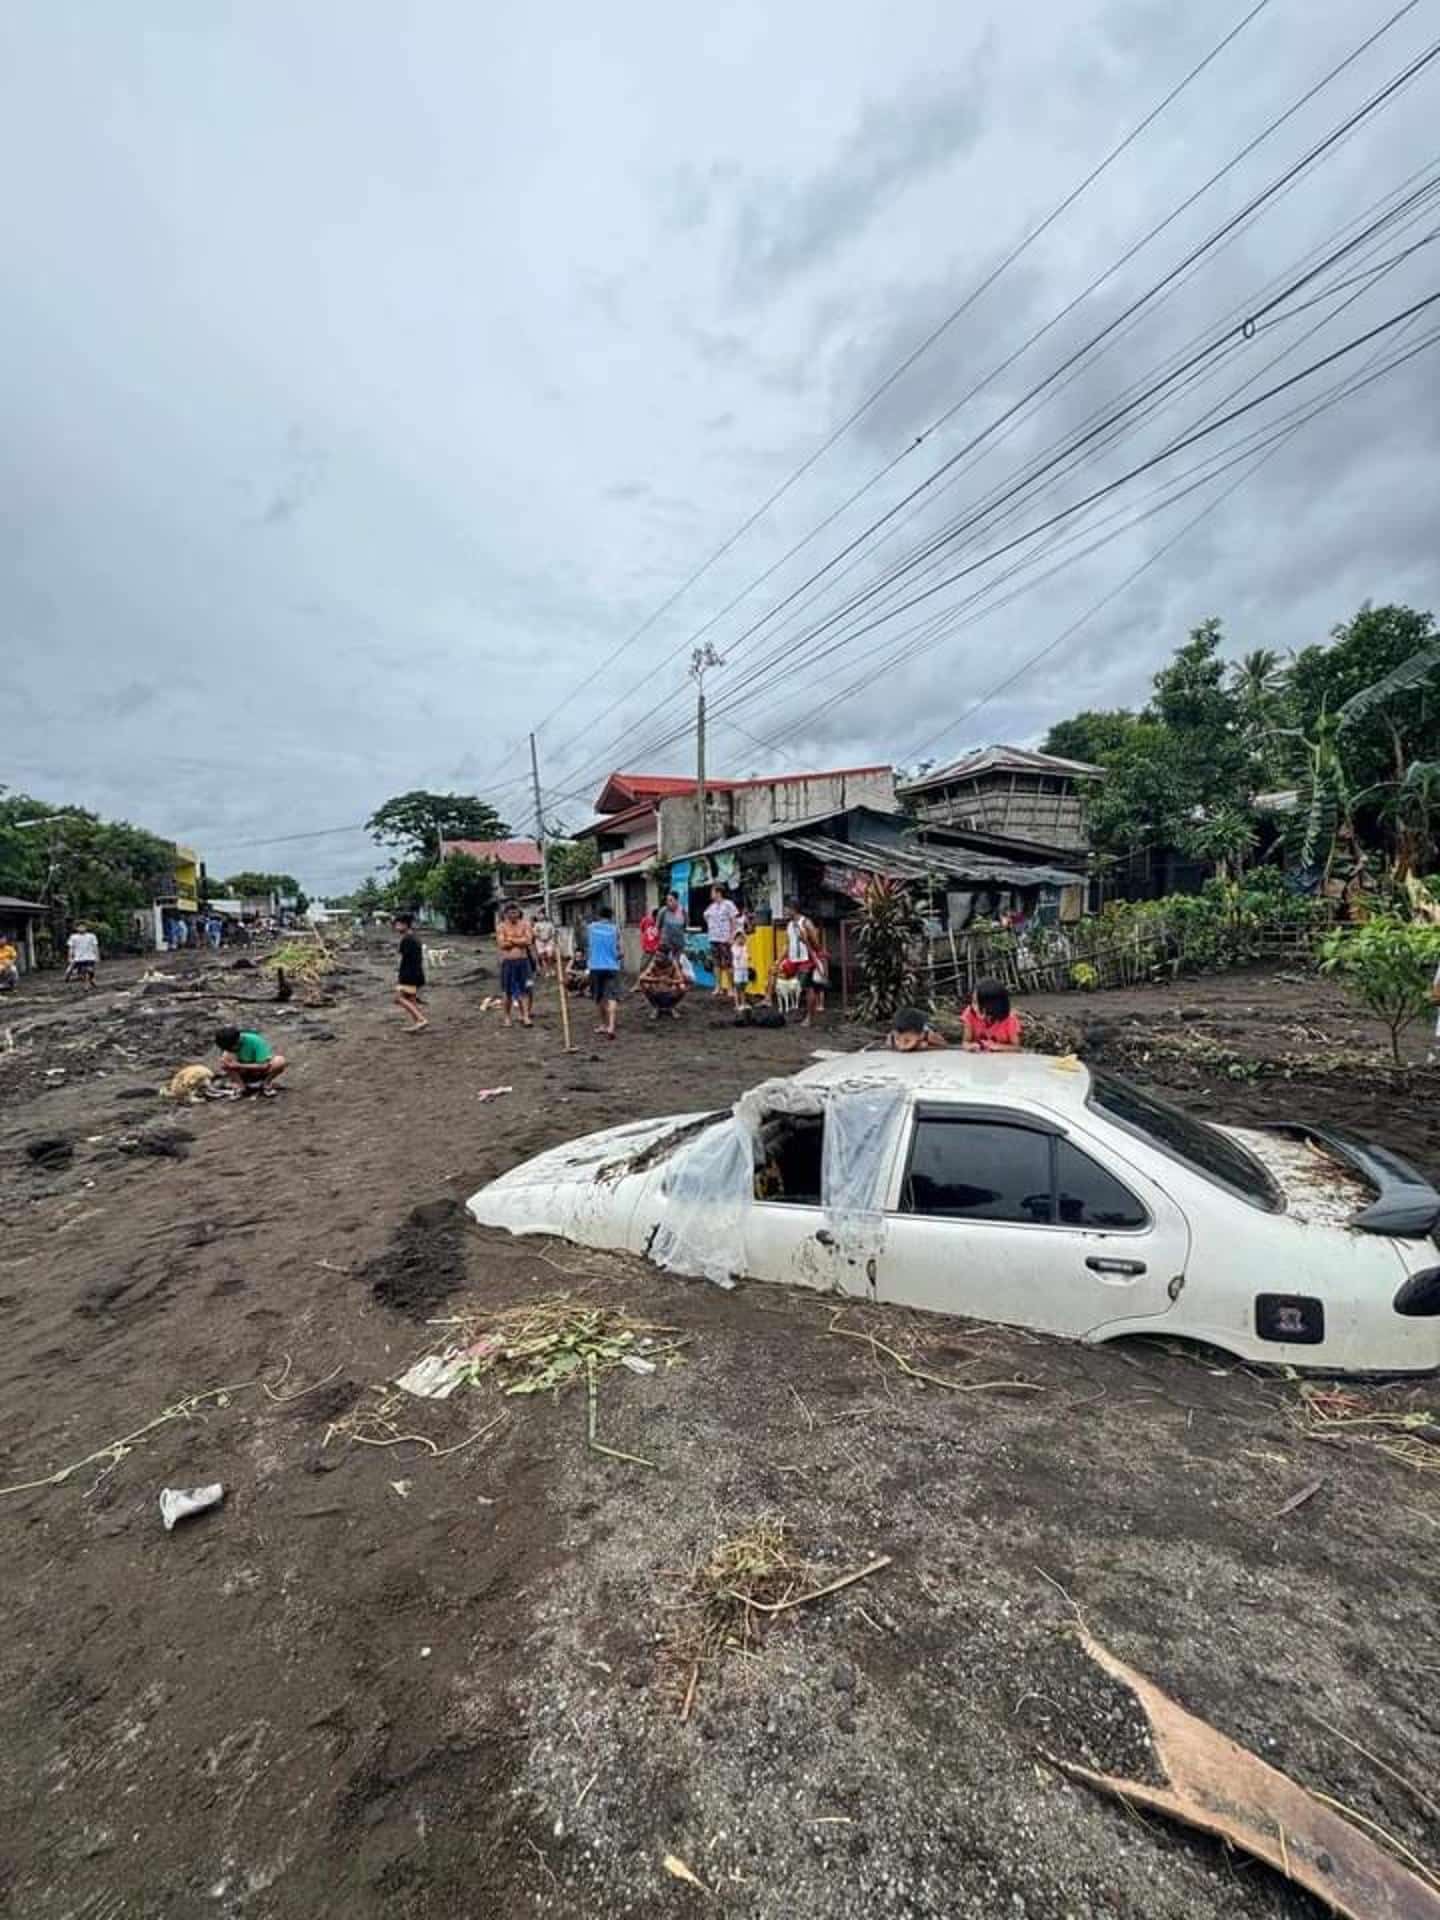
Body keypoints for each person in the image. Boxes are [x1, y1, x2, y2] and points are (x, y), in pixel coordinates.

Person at [780, 899, 825, 1028]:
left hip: (806, 959)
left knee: (808, 987)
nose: (784, 912)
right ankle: (803, 1012)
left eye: (786, 909)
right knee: (784, 978)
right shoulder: (789, 925)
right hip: (794, 959)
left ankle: (809, 1018)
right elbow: (788, 944)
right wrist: (779, 960)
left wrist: (806, 940)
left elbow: (816, 943)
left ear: (793, 909)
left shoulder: (806, 923)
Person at [214, 1025, 287, 1095]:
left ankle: (266, 1084)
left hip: (260, 1070)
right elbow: (226, 1061)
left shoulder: (254, 1040)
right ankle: (241, 1086)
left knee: (280, 1061)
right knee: (224, 1062)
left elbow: (264, 1065)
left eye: (232, 1048)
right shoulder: (228, 1043)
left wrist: (238, 1065)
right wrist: (229, 1063)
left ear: (237, 1041)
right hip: (245, 1072)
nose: (231, 1050)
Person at [497, 902, 536, 1029]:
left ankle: (525, 1016)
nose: (513, 915)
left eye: (515, 912)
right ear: (506, 914)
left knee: (526, 989)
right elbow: (502, 944)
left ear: (519, 912)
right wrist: (520, 940)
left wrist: (511, 939)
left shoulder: (525, 924)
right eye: (511, 912)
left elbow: (529, 940)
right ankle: (507, 1018)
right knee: (507, 991)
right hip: (507, 963)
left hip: (523, 961)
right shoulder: (501, 926)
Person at [585, 903, 622, 1039]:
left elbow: (586, 945)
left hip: (595, 967)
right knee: (612, 997)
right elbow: (619, 951)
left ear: (598, 916)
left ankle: (603, 1024)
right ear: (611, 917)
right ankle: (611, 1026)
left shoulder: (590, 928)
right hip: (612, 966)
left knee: (599, 997)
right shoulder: (615, 929)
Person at [961, 978, 1023, 1052]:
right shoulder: (969, 1014)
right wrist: (970, 1046)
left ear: (994, 1006)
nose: (975, 1008)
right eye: (973, 1002)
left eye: (978, 1004)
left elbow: (1017, 1048)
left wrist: (998, 1047)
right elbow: (965, 1042)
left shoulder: (1009, 1019)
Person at [393, 912, 429, 1031]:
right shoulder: (414, 937)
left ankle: (421, 1019)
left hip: (409, 974)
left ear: (404, 925)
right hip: (417, 972)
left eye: (397, 924)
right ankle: (417, 1022)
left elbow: (402, 957)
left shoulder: (407, 939)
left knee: (399, 998)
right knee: (411, 999)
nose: (396, 927)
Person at [703, 886, 739, 998]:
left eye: (712, 892)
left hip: (725, 938)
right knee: (716, 963)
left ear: (718, 893)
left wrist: (732, 935)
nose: (711, 894)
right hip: (714, 938)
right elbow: (705, 916)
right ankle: (718, 986)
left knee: (728, 964)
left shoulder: (728, 904)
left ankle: (730, 988)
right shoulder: (711, 907)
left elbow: (734, 920)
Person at [633, 947, 688, 1020]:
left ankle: (671, 1007)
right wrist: (658, 979)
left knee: (683, 987)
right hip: (656, 990)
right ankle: (656, 1008)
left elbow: (681, 979)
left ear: (667, 956)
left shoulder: (673, 963)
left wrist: (671, 981)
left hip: (670, 990)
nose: (657, 958)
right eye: (656, 955)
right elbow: (641, 977)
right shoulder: (654, 963)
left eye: (660, 956)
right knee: (643, 983)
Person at [730, 916, 751, 1012]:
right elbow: (737, 956)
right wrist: (742, 949)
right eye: (738, 938)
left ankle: (743, 1003)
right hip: (738, 969)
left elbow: (747, 957)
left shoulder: (745, 947)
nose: (740, 940)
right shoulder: (734, 947)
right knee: (737, 986)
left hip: (744, 968)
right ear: (735, 939)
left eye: (742, 938)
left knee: (743, 986)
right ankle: (737, 1004)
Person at [656, 891, 687, 957]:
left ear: (676, 900)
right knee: (664, 964)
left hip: (679, 945)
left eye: (671, 900)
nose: (668, 902)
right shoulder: (663, 911)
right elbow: (657, 927)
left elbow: (685, 926)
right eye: (667, 900)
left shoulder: (682, 911)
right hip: (665, 946)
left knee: (679, 964)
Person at [532, 909, 558, 977]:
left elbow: (553, 932)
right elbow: (535, 933)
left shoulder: (549, 923)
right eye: (539, 915)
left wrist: (548, 938)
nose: (540, 916)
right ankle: (546, 971)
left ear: (544, 915)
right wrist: (540, 938)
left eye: (541, 914)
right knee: (543, 957)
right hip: (540, 942)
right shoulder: (536, 924)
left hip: (549, 941)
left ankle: (551, 968)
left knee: (550, 956)